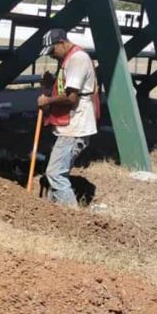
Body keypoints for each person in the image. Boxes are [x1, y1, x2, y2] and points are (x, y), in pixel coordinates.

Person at [36, 29, 100, 207]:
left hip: (75, 126)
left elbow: (71, 97)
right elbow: (65, 87)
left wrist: (47, 100)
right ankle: (55, 211)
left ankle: (70, 215)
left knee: (55, 173)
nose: (53, 56)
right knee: (57, 172)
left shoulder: (77, 59)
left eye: (52, 51)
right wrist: (51, 84)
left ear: (62, 43)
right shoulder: (68, 59)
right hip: (70, 125)